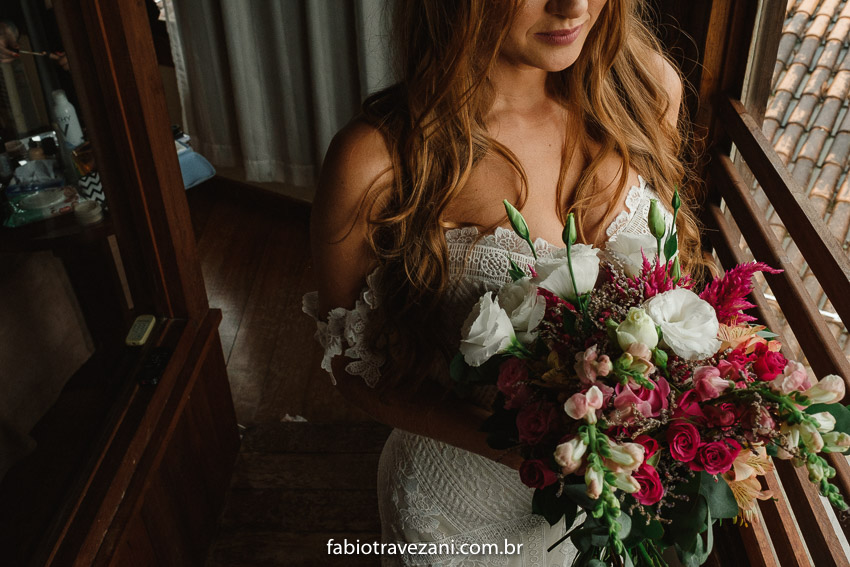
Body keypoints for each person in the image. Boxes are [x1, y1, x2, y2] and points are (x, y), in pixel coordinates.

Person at [305, 0, 708, 564]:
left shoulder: (646, 92)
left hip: (609, 503)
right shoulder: (379, 160)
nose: (574, 6)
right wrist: (528, 450)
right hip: (461, 508)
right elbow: (355, 368)